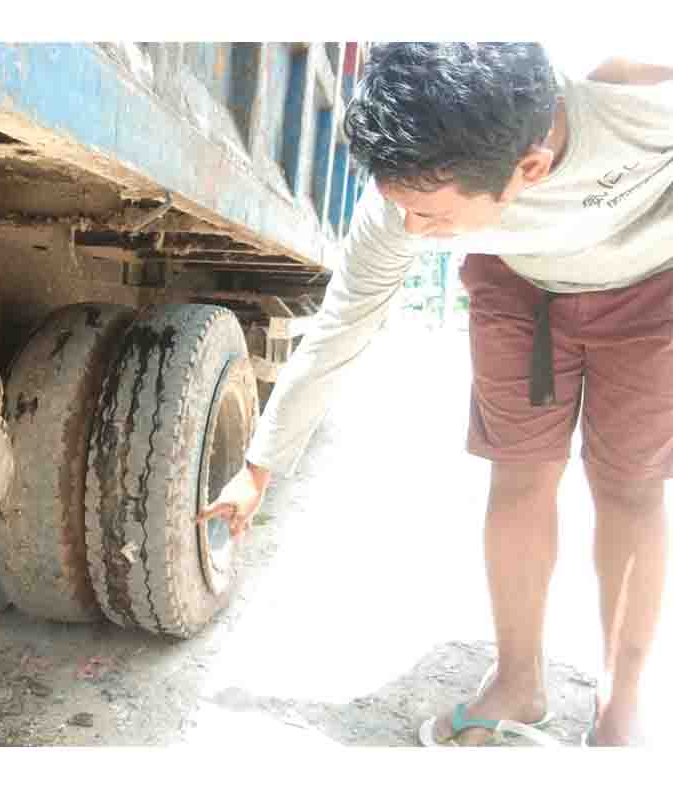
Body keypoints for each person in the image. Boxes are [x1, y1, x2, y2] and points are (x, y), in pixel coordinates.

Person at [197, 42, 673, 747]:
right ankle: (518, 682)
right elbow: (340, 328)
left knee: (631, 486)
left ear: (530, 169)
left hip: (651, 287)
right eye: (405, 209)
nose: (413, 231)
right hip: (522, 289)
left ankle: (620, 702)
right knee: (520, 476)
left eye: (432, 217)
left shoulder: (643, 108)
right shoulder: (400, 205)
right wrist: (257, 468)